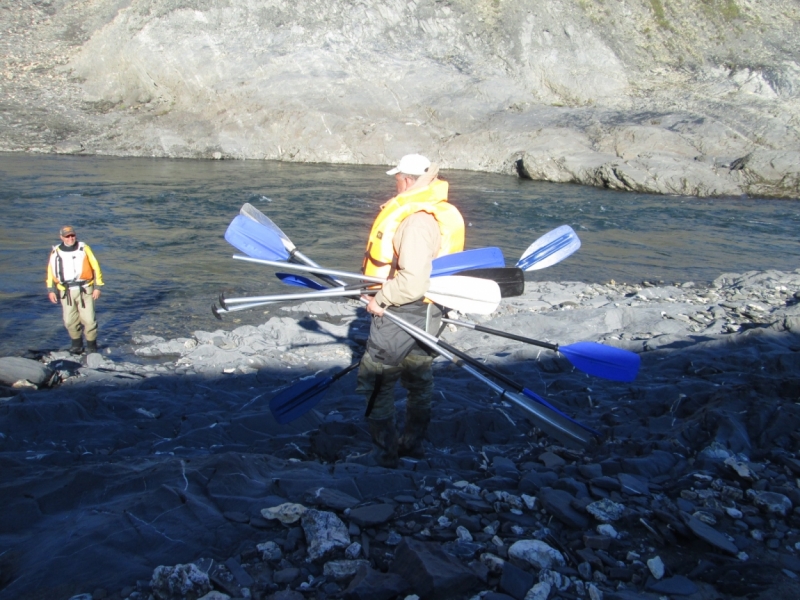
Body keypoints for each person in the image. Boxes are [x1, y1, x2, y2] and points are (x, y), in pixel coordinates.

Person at [354, 154, 465, 467]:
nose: (395, 184)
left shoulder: (415, 222)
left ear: (405, 179)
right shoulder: (432, 214)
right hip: (430, 312)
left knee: (376, 378)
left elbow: (413, 281)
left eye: (397, 179)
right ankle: (412, 444)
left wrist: (381, 299)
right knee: (419, 376)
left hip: (403, 310)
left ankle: (383, 454)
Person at [46, 225, 104, 355]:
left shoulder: (84, 248)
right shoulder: (55, 252)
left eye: (72, 235)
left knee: (89, 320)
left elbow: (96, 266)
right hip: (66, 291)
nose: (70, 238)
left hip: (85, 288)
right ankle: (76, 345)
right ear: (62, 237)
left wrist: (98, 287)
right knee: (69, 321)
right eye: (67, 236)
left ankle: (91, 346)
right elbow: (50, 272)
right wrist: (51, 290)